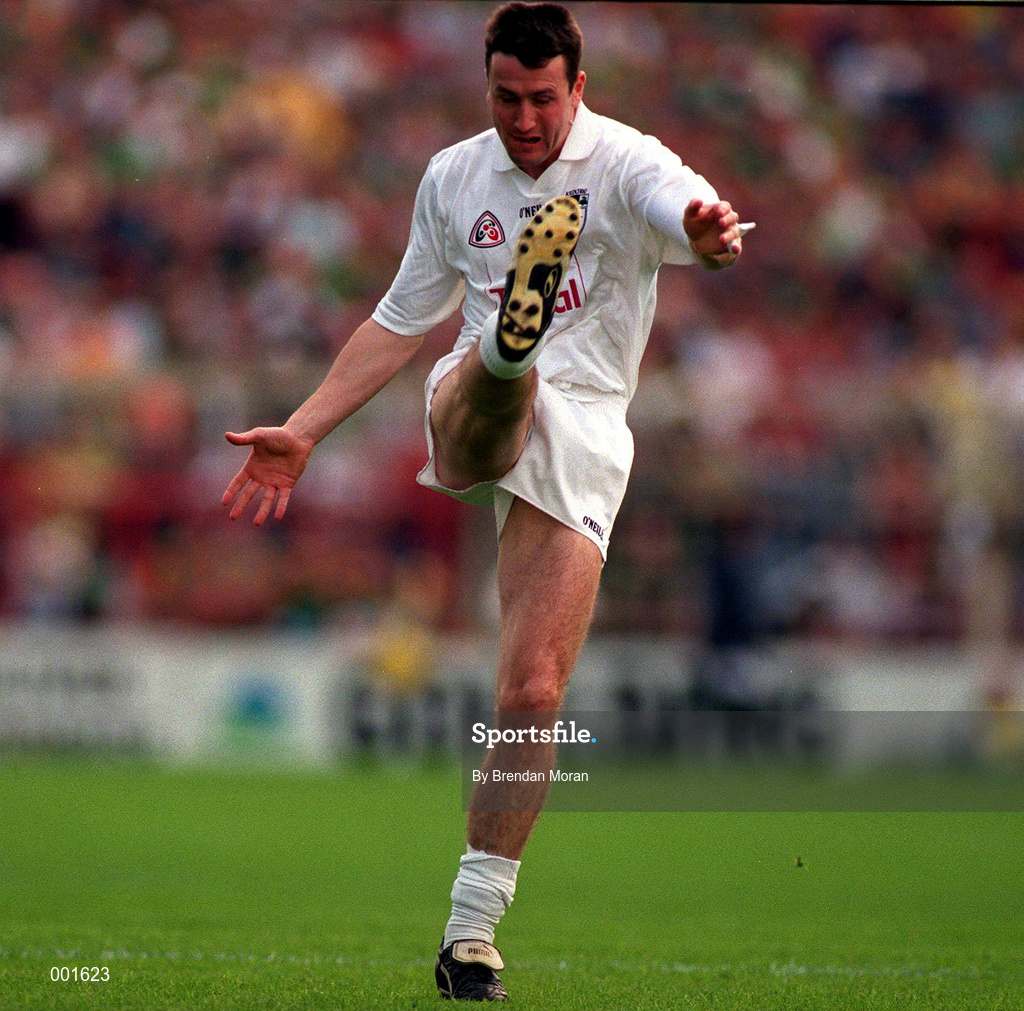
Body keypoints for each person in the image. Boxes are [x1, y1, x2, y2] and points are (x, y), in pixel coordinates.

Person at [222, 2, 747, 1001]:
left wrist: (708, 232)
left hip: (588, 426)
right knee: (495, 387)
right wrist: (304, 427)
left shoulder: (626, 160)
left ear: (577, 88)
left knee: (533, 692)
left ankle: (469, 936)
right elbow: (398, 319)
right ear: (487, 87)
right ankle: (510, 352)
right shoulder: (454, 176)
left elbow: (693, 214)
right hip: (470, 393)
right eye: (507, 98)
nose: (525, 119)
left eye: (543, 98)